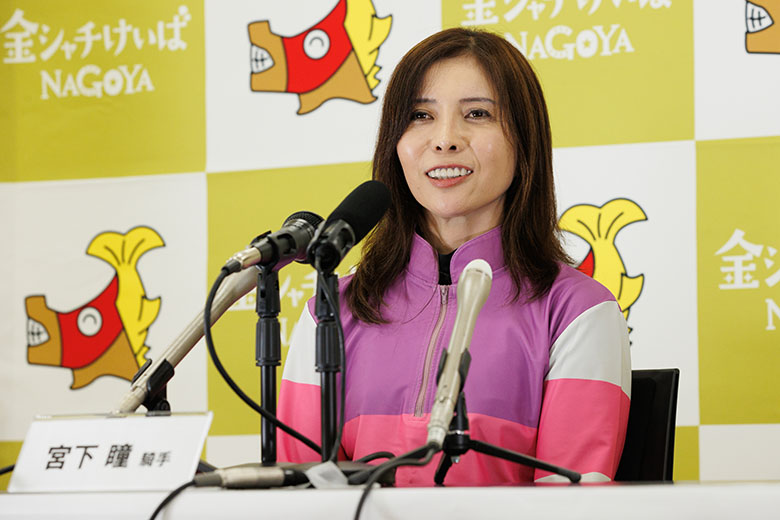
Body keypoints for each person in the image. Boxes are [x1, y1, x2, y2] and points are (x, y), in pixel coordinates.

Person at [277, 27, 631, 486]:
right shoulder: (331, 311)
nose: (445, 139)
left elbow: (572, 506)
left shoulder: (578, 312)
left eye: (477, 114)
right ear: (395, 143)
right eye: (421, 115)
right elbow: (296, 497)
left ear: (524, 141)